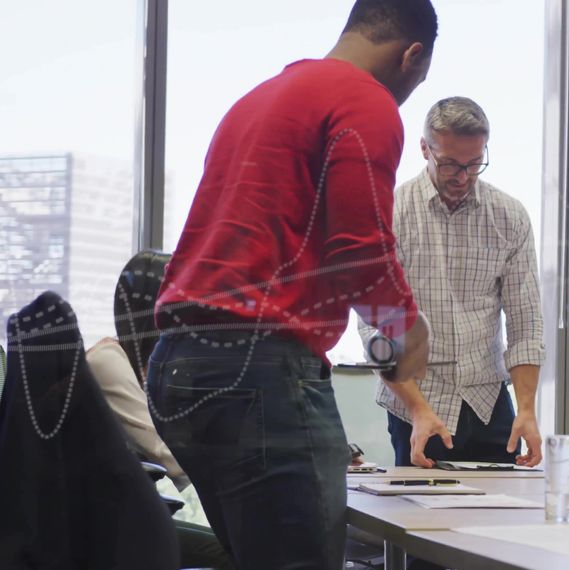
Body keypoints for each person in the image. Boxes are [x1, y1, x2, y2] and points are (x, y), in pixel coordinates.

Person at [147, 2, 447, 568]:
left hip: (177, 368)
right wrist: (406, 331)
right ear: (412, 57)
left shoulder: (257, 100)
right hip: (258, 371)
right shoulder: (365, 101)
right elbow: (359, 255)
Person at [371, 96, 545, 468]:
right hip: (417, 402)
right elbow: (377, 331)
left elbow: (525, 321)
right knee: (421, 519)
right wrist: (417, 410)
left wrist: (527, 409)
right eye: (450, 163)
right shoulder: (390, 213)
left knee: (500, 521)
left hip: (488, 401)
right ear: (424, 149)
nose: (463, 177)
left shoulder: (509, 216)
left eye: (474, 163)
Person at [87, 249, 233, 569]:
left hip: (124, 512)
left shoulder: (144, 365)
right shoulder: (107, 362)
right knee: (234, 553)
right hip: (102, 522)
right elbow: (166, 451)